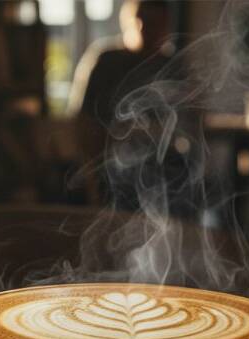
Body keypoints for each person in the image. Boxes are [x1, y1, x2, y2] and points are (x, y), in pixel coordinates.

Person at [67, 0, 175, 204]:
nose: (145, 29)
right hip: (110, 163)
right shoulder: (108, 62)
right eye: (141, 20)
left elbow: (188, 121)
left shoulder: (172, 67)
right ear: (128, 22)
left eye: (154, 23)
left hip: (162, 168)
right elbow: (84, 121)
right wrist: (92, 173)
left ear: (165, 26)